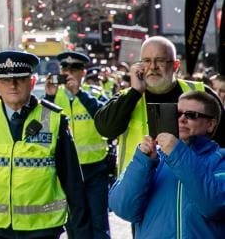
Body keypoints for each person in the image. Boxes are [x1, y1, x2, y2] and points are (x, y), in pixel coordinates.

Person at [0, 50, 91, 239]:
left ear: (31, 82)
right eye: (6, 80)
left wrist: (81, 235)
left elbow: (73, 184)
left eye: (20, 79)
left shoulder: (54, 119)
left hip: (40, 231)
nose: (12, 85)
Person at [93, 35, 225, 175]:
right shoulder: (128, 97)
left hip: (188, 185)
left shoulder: (201, 92)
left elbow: (222, 140)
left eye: (160, 60)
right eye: (147, 61)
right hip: (136, 187)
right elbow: (105, 129)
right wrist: (135, 92)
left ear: (175, 65)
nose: (153, 67)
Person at [109, 90, 225, 238]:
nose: (182, 119)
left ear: (210, 124)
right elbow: (123, 209)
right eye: (177, 114)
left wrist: (177, 152)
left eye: (191, 115)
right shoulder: (154, 159)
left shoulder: (220, 159)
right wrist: (142, 162)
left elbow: (214, 206)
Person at [46, 51, 110, 239]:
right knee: (74, 223)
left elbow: (104, 118)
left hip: (95, 168)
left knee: (98, 223)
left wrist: (79, 94)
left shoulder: (94, 94)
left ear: (83, 72)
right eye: (65, 68)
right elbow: (44, 127)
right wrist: (49, 97)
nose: (69, 72)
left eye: (74, 68)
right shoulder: (54, 98)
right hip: (67, 172)